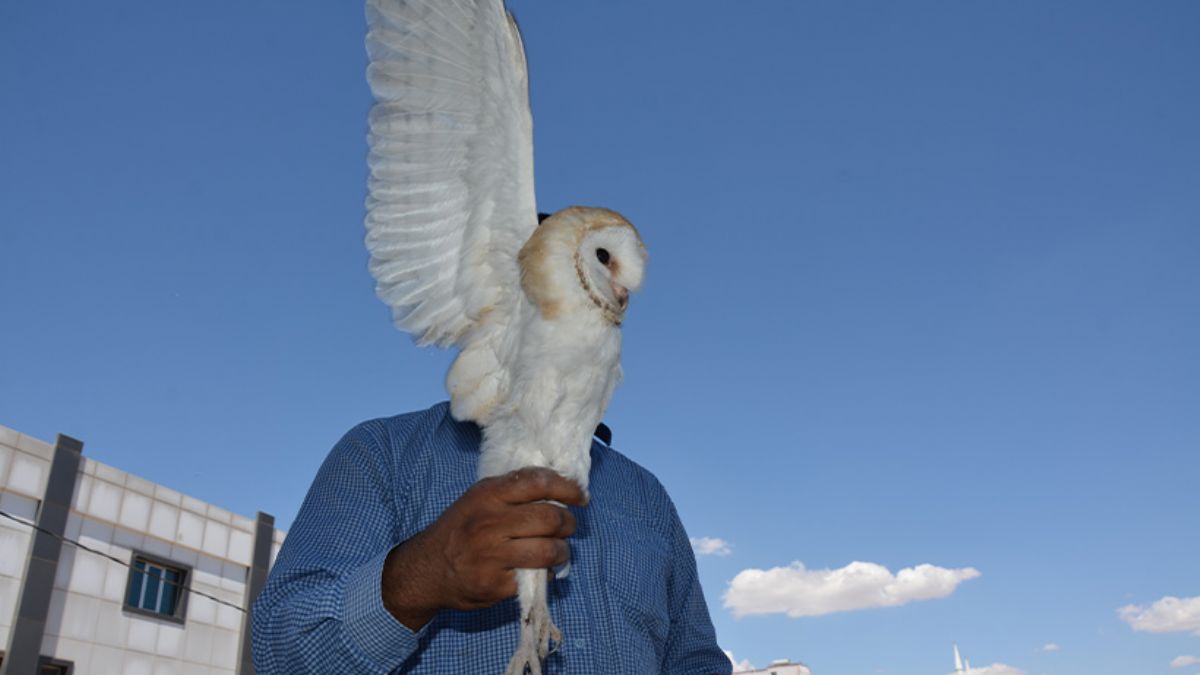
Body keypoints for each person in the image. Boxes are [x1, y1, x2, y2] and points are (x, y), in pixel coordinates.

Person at [251, 401, 732, 674]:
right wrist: (419, 577)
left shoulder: (646, 495)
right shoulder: (382, 454)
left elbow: (695, 661)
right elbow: (280, 654)